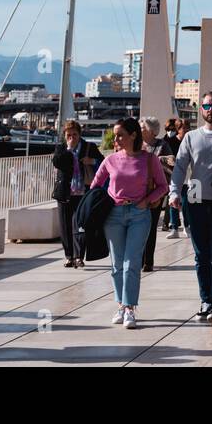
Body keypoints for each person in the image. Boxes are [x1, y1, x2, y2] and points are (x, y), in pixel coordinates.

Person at [90, 117, 168, 329]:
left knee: (131, 263)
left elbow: (163, 187)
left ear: (133, 135)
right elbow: (95, 186)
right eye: (115, 135)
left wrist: (146, 201)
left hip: (139, 215)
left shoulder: (149, 160)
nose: (116, 139)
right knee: (117, 264)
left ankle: (130, 308)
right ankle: (121, 306)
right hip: (113, 215)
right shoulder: (111, 160)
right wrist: (102, 201)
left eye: (120, 135)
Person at [168, 91, 212, 327]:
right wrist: (174, 192)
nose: (210, 110)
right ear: (201, 110)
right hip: (195, 200)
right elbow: (179, 167)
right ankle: (205, 301)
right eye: (206, 106)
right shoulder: (190, 137)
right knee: (200, 256)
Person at [52, 119, 103, 268]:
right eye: (68, 135)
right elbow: (57, 162)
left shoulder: (89, 147)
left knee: (80, 225)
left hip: (83, 193)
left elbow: (103, 162)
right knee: (65, 225)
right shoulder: (61, 148)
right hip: (65, 192)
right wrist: (68, 150)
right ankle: (69, 256)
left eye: (74, 135)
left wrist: (92, 161)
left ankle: (79, 256)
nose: (72, 138)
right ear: (64, 136)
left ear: (80, 134)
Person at [139, 117, 172, 269]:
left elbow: (172, 164)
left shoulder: (162, 145)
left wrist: (158, 161)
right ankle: (138, 258)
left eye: (143, 127)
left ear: (152, 131)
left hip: (155, 191)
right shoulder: (137, 145)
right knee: (138, 226)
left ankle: (148, 261)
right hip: (137, 191)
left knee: (151, 226)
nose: (140, 130)